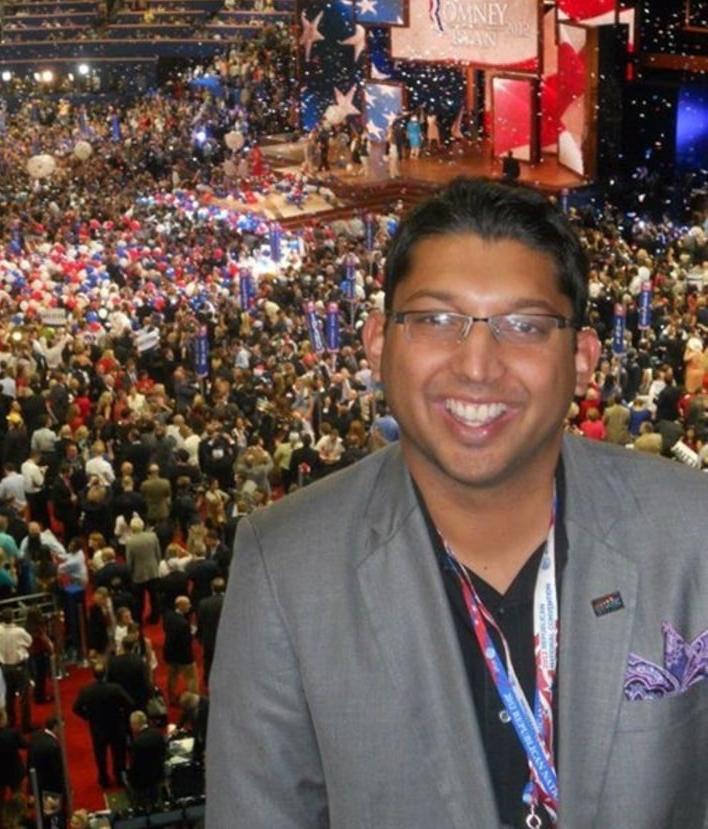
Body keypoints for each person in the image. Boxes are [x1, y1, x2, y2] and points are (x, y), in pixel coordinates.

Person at [206, 177, 708, 828]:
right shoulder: (287, 566)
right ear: (378, 343)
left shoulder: (692, 530)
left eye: (523, 325)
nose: (477, 364)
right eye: (436, 319)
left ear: (583, 359)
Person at [72, 663, 135, 789]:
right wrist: (122, 714)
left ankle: (103, 778)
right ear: (105, 673)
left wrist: (88, 717)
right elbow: (130, 703)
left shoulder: (87, 690)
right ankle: (119, 777)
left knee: (100, 755)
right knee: (118, 754)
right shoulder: (115, 688)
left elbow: (76, 708)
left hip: (97, 727)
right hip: (116, 725)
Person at [126, 711, 167, 810]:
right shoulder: (157, 733)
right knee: (157, 799)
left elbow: (135, 765)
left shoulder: (137, 742)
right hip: (158, 773)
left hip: (142, 780)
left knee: (143, 804)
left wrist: (130, 779)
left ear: (135, 724)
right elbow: (163, 752)